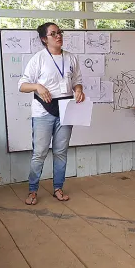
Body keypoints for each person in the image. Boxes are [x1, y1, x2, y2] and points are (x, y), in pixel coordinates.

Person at [18, 22, 85, 205]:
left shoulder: (71, 58)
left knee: (61, 152)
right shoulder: (38, 58)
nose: (58, 36)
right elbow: (22, 85)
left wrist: (78, 90)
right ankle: (32, 191)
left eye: (60, 32)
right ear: (44, 39)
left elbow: (77, 81)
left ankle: (58, 188)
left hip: (66, 109)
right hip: (43, 111)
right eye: (53, 33)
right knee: (39, 153)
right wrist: (38, 86)